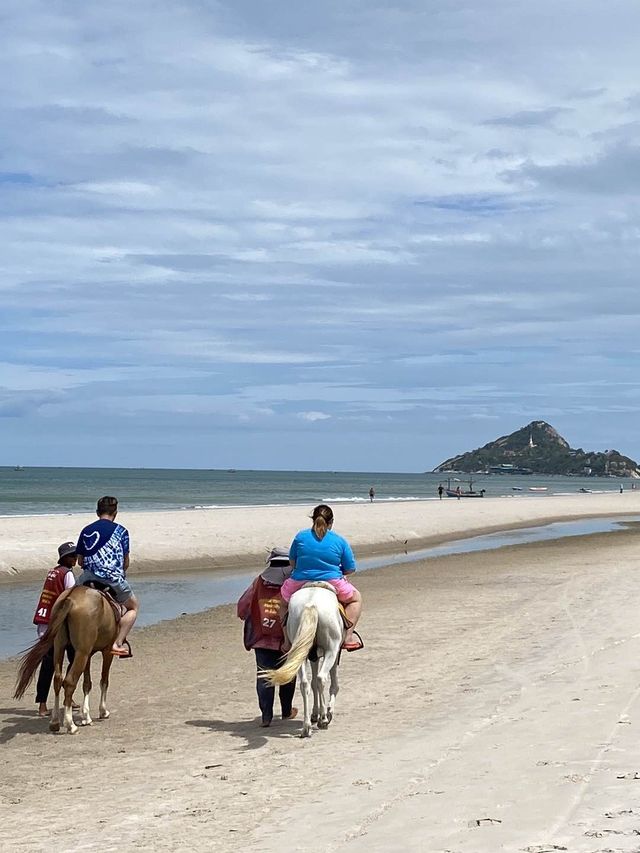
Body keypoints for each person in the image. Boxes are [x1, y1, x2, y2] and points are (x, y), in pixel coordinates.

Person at [281, 504, 363, 651]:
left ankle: (287, 641)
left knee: (282, 603)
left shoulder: (301, 536)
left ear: (313, 520)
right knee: (356, 599)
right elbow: (350, 569)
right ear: (331, 522)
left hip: (300, 580)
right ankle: (348, 637)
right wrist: (337, 570)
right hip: (332, 581)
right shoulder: (340, 540)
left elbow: (292, 562)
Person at [237, 547, 298, 727]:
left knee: (264, 676)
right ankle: (286, 711)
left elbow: (242, 607)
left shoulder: (258, 582)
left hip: (262, 637)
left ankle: (266, 716)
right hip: (287, 637)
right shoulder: (293, 583)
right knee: (288, 674)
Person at [76, 496, 137, 657]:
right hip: (112, 578)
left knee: (68, 597)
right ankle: (117, 643)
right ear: (115, 512)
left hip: (87, 577)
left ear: (97, 512)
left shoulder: (86, 530)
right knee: (133, 607)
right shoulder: (121, 531)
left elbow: (80, 561)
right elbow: (125, 560)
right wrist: (122, 570)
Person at [33, 542, 77, 716]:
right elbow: (71, 599)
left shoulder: (53, 571)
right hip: (57, 625)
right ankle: (57, 698)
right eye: (72, 556)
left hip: (44, 621)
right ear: (65, 558)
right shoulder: (67, 574)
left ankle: (43, 704)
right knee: (73, 660)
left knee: (48, 665)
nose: (75, 559)